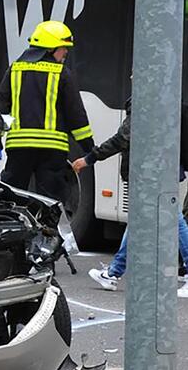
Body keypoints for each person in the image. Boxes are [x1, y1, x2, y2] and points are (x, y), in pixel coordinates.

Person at [74, 99, 188, 298]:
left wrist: (89, 159)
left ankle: (113, 272)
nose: (132, 75)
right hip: (162, 168)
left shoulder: (145, 95)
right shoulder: (164, 93)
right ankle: (113, 272)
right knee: (139, 222)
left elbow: (123, 138)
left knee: (175, 222)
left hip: (147, 172)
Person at [0, 20, 94, 201]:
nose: (65, 52)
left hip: (19, 149)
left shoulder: (15, 69)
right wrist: (89, 147)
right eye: (63, 47)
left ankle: (11, 227)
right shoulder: (61, 73)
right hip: (51, 152)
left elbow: (0, 108)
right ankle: (48, 229)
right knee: (51, 202)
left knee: (11, 197)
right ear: (50, 48)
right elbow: (76, 114)